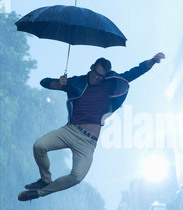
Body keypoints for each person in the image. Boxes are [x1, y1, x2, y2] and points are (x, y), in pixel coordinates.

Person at [18, 52, 165, 202]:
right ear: (91, 67)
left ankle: (40, 193)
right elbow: (44, 82)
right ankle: (45, 179)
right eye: (95, 73)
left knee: (77, 176)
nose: (96, 77)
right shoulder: (77, 82)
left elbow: (134, 73)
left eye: (100, 76)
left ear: (105, 76)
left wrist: (152, 61)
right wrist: (59, 84)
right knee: (39, 146)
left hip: (88, 142)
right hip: (70, 131)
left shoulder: (110, 83)